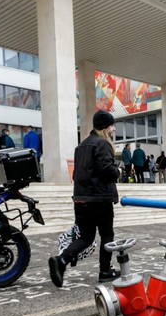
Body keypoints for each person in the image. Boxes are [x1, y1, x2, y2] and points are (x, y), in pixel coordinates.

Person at [48, 110, 122, 287]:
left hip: (81, 198)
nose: (113, 129)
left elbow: (80, 173)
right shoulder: (102, 144)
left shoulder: (81, 146)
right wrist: (118, 171)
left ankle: (61, 260)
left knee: (86, 237)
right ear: (105, 127)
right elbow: (106, 169)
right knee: (107, 234)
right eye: (112, 126)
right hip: (99, 199)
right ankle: (105, 271)